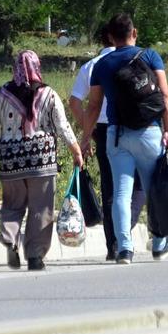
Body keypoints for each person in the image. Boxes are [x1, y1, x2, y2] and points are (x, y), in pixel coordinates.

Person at [0, 50, 83, 271]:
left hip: (11, 162)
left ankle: (11, 238)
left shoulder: (2, 94)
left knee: (12, 205)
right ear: (37, 67)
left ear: (15, 69)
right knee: (41, 208)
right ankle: (35, 256)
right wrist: (76, 150)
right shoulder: (49, 94)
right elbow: (63, 126)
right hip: (42, 161)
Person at [80, 13, 168, 265]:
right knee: (152, 187)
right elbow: (165, 95)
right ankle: (159, 242)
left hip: (117, 135)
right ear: (135, 33)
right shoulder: (150, 56)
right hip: (149, 132)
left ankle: (124, 248)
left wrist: (85, 137)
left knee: (121, 193)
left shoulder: (102, 64)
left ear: (111, 37)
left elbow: (93, 106)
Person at [68, 25, 146, 262]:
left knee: (110, 187)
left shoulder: (91, 65)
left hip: (101, 131)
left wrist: (87, 132)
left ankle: (113, 245)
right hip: (135, 126)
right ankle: (124, 233)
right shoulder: (134, 59)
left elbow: (74, 102)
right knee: (139, 185)